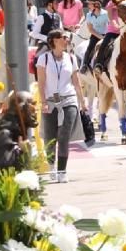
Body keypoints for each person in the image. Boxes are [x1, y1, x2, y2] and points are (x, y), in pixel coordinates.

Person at [36, 29, 86, 183]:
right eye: (64, 38)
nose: (67, 40)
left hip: (68, 98)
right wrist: (43, 102)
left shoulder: (71, 58)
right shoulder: (43, 59)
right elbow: (42, 83)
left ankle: (62, 171)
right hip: (50, 100)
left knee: (64, 134)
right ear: (54, 40)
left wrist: (83, 102)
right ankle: (51, 166)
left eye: (67, 38)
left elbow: (76, 82)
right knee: (50, 137)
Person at [93, 0, 126, 73]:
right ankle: (99, 64)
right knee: (104, 45)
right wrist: (115, 25)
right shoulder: (112, 3)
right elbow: (111, 17)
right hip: (113, 32)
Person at [79, 0, 108, 73]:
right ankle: (85, 64)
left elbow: (110, 26)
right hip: (95, 35)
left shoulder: (106, 14)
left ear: (96, 4)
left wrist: (105, 37)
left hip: (106, 35)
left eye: (90, 4)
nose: (88, 6)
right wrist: (100, 37)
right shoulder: (88, 15)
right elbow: (91, 29)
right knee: (89, 48)